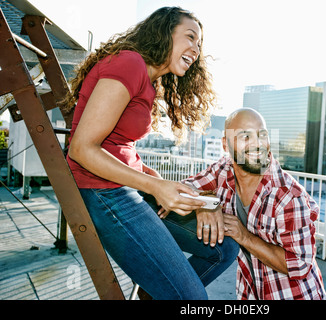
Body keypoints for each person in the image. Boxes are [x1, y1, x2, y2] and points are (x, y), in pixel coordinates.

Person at [63, 6, 238, 300]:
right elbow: (82, 148)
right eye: (190, 37)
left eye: (200, 43)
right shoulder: (129, 64)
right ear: (164, 33)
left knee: (224, 248)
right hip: (105, 193)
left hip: (124, 186)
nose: (196, 49)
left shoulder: (148, 78)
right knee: (192, 300)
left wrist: (146, 172)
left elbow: (117, 144)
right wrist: (155, 186)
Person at [182, 108, 326, 300]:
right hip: (250, 293)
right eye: (245, 136)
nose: (257, 144)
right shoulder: (223, 170)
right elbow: (185, 188)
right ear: (225, 144)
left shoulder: (289, 196)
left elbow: (299, 264)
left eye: (262, 135)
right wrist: (206, 204)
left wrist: (244, 236)